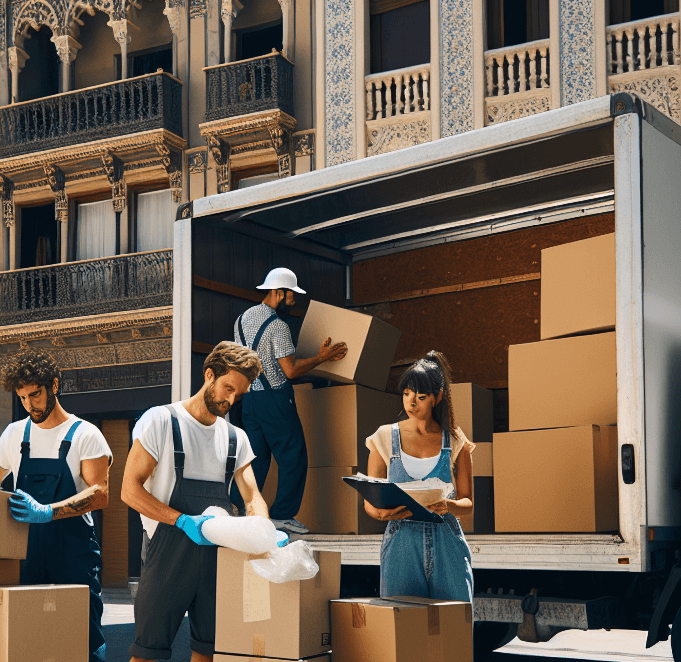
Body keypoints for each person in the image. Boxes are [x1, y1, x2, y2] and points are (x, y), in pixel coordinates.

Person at [0, 350, 111, 662]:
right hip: (24, 556)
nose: (30, 405)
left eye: (36, 395)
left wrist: (47, 511)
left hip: (74, 556)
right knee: (27, 643)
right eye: (23, 397)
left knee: (82, 642)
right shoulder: (15, 434)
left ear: (54, 385)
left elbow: (100, 494)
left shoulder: (86, 434)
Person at [122, 342, 279, 662]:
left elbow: (253, 497)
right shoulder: (161, 421)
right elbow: (129, 490)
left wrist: (263, 530)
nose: (231, 399)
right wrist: (181, 520)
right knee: (147, 653)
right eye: (227, 388)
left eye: (240, 394)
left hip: (217, 557)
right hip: (166, 552)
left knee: (207, 651)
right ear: (209, 374)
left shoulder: (236, 438)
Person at [231, 267, 348, 534]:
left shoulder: (240, 320)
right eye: (291, 295)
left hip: (250, 399)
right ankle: (282, 515)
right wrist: (323, 356)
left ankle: (242, 510)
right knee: (294, 456)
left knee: (256, 459)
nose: (294, 301)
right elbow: (291, 371)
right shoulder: (278, 326)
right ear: (278, 293)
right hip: (275, 399)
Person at [362, 351, 475, 601]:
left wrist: (448, 505)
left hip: (447, 540)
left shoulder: (456, 440)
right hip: (401, 540)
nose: (411, 403)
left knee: (454, 621)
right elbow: (370, 500)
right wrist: (381, 513)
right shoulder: (383, 437)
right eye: (406, 394)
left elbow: (468, 503)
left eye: (421, 397)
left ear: (438, 397)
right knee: (403, 626)